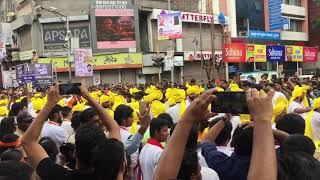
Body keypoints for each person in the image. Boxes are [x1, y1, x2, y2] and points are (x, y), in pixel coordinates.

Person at [21, 82, 124, 180]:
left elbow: (28, 142)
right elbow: (114, 128)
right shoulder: (112, 171)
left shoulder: (59, 176)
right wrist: (88, 97)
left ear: (75, 153)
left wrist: (50, 103)